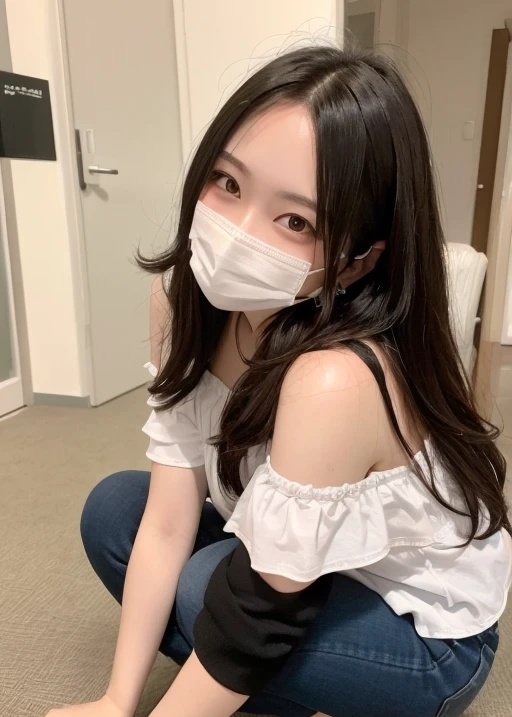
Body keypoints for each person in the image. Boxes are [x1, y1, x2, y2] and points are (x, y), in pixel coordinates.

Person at [47, 41, 512, 717]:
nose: (238, 232)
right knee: (116, 509)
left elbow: (261, 607)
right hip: (297, 571)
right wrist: (116, 701)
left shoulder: (335, 379)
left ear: (356, 261)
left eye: (296, 221)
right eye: (228, 183)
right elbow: (170, 519)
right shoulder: (180, 304)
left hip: (419, 632)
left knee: (207, 587)